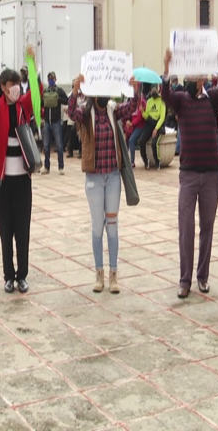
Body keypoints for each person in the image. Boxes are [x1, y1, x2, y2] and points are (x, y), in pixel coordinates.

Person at [162, 47, 218, 299]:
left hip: (211, 174)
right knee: (186, 227)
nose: (190, 82)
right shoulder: (182, 100)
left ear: (202, 80)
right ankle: (185, 280)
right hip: (188, 174)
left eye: (194, 79)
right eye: (188, 79)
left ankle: (202, 277)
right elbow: (165, 95)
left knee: (207, 227)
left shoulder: (212, 98)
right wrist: (166, 68)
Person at [68, 74, 139, 293]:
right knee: (97, 227)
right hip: (94, 179)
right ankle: (98, 273)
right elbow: (71, 113)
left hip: (113, 177)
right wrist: (75, 88)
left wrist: (135, 90)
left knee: (113, 226)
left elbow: (132, 107)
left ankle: (114, 275)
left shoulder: (112, 109)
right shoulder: (85, 112)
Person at [0, 43, 38, 294]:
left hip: (22, 180)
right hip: (3, 181)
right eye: (10, 84)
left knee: (22, 229)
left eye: (17, 83)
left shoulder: (25, 105)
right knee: (6, 229)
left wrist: (32, 64)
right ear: (3, 87)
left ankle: (22, 275)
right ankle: (8, 276)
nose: (15, 87)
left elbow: (35, 91)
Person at [41, 71, 69, 175]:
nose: (50, 80)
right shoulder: (45, 91)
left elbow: (67, 101)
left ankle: (61, 167)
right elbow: (41, 103)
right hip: (47, 122)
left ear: (55, 79)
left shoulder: (60, 90)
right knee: (46, 146)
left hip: (56, 122)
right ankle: (46, 167)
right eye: (49, 79)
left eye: (52, 78)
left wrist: (59, 99)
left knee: (59, 146)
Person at [138, 85, 166, 170]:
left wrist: (156, 129)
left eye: (155, 91)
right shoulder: (149, 101)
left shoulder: (162, 102)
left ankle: (157, 161)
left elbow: (162, 117)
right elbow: (147, 116)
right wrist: (142, 112)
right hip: (149, 124)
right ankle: (146, 161)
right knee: (141, 141)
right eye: (152, 91)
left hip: (158, 124)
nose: (153, 93)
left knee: (154, 143)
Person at [126, 91, 147, 168]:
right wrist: (128, 121)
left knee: (131, 140)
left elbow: (140, 117)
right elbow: (128, 113)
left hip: (140, 126)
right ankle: (125, 160)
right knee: (126, 138)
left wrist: (132, 123)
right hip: (132, 125)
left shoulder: (142, 102)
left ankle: (132, 162)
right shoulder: (131, 103)